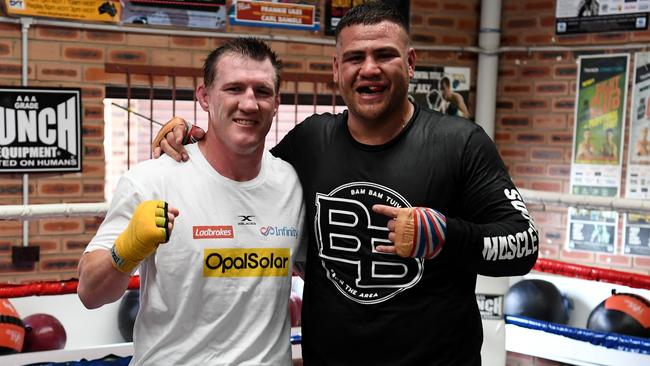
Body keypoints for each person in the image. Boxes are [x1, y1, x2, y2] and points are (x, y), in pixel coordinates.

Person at [154, 2, 539, 365]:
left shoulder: (460, 143)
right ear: (337, 69)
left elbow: (523, 244)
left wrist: (445, 237)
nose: (369, 69)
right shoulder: (311, 141)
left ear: (410, 64)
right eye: (356, 58)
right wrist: (198, 137)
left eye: (384, 55)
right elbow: (247, 173)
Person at [77, 38, 305, 365]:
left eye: (262, 91)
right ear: (204, 97)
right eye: (234, 89)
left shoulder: (292, 183)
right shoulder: (152, 181)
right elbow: (90, 292)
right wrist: (124, 251)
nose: (250, 103)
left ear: (277, 102)